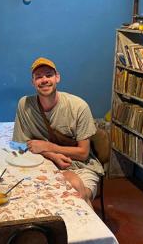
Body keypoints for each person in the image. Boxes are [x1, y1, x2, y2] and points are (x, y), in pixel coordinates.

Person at [12, 57, 103, 205]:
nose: (44, 80)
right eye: (39, 77)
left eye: (48, 75)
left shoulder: (79, 107)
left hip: (80, 166)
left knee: (76, 195)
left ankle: (86, 224)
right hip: (43, 163)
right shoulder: (25, 105)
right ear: (33, 82)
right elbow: (18, 144)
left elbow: (83, 153)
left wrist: (49, 147)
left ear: (57, 77)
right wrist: (52, 155)